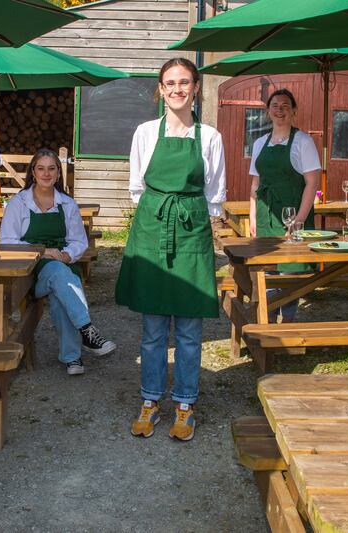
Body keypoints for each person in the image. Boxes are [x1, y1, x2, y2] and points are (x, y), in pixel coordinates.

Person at [116, 57, 226, 442]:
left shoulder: (210, 137)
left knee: (191, 327)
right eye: (170, 83)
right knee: (152, 329)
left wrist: (199, 227)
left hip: (192, 227)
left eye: (184, 82)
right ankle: (150, 400)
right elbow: (137, 187)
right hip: (152, 225)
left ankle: (184, 403)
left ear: (195, 88)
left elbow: (214, 194)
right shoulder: (145, 132)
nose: (177, 89)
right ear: (160, 90)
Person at [0, 148, 116, 375]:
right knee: (60, 275)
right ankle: (87, 330)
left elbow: (79, 241)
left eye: (51, 168)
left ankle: (72, 358)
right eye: (41, 168)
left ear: (58, 173)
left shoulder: (67, 204)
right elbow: (8, 241)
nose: (46, 173)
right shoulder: (19, 203)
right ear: (33, 172)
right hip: (29, 271)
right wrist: (43, 252)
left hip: (62, 263)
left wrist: (66, 254)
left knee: (63, 284)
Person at [248, 88, 320, 322]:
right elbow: (255, 183)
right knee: (267, 270)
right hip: (266, 214)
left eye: (285, 106)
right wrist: (253, 217)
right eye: (275, 106)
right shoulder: (260, 143)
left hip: (293, 215)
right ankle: (266, 321)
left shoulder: (303, 141)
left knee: (290, 271)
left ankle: (287, 322)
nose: (280, 110)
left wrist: (299, 220)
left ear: (294, 111)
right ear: (268, 111)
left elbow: (312, 183)